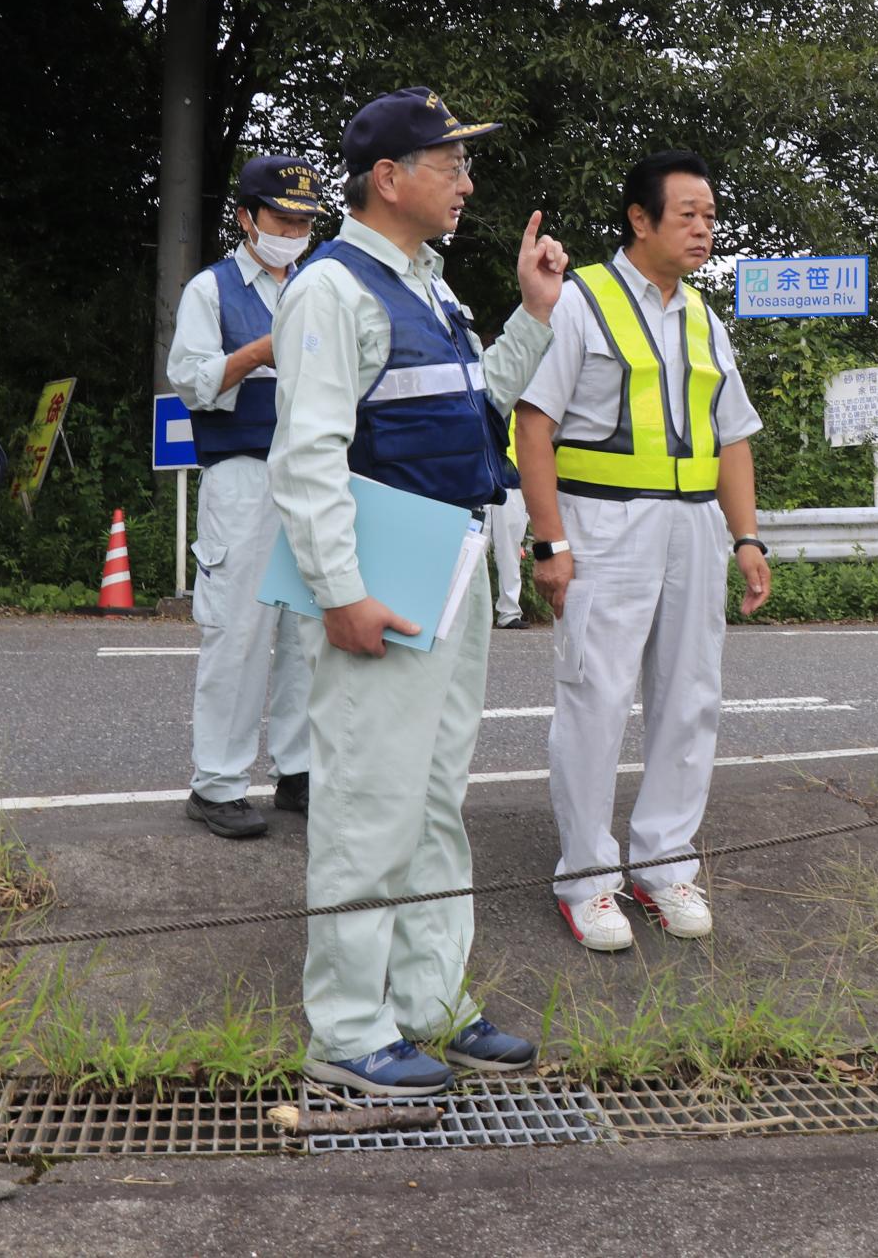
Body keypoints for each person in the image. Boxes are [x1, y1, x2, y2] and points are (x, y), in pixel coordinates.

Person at [266, 85, 566, 1095]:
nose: (465, 182)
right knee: (365, 799)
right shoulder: (332, 287)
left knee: (433, 795)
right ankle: (349, 1033)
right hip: (384, 573)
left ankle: (429, 999)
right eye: (449, 163)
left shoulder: (428, 286)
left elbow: (474, 405)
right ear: (387, 177)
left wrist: (530, 315)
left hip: (451, 558)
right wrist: (340, 589)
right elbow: (305, 453)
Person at [517, 150, 771, 951]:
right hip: (603, 525)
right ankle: (587, 879)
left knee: (690, 695)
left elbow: (732, 435)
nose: (703, 229)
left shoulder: (702, 315)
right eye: (687, 214)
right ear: (640, 218)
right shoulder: (580, 301)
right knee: (595, 697)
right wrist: (549, 539)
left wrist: (747, 536)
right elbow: (533, 421)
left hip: (693, 526)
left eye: (710, 216)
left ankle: (663, 864)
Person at [166, 155, 323, 840]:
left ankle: (300, 769)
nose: (293, 231)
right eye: (282, 218)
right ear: (245, 217)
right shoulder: (213, 288)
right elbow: (192, 382)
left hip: (316, 475)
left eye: (305, 220)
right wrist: (258, 351)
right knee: (238, 631)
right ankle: (218, 781)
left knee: (308, 632)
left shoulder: (323, 283)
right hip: (244, 473)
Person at [491, 426, 529, 629]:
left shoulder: (520, 397)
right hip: (480, 475)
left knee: (510, 549)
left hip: (510, 478)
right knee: (472, 548)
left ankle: (509, 612)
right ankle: (467, 611)